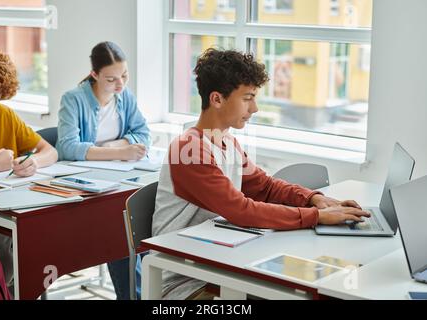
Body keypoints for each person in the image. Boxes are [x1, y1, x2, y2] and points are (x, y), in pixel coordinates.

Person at [152, 48, 370, 300]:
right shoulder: (189, 150)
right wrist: (316, 216)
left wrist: (312, 198)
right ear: (217, 99)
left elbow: (263, 187)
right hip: (185, 283)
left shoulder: (226, 142)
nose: (254, 108)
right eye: (247, 98)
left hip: (220, 267)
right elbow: (241, 210)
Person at [56, 41, 151, 300]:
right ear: (95, 74)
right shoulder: (73, 99)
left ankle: (150, 292)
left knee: (145, 226)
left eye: (124, 76)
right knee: (122, 233)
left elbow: (144, 134)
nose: (120, 84)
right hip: (85, 188)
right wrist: (120, 152)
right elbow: (67, 147)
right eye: (111, 79)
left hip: (120, 180)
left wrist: (117, 144)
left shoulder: (124, 97)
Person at [0, 47, 58, 289]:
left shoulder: (4, 115)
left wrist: (33, 162)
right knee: (6, 264)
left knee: (38, 243)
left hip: (4, 203)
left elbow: (50, 151)